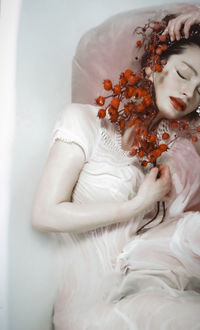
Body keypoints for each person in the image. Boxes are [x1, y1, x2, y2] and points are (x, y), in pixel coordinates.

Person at [31, 6, 200, 330]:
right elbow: (44, 214)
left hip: (142, 287)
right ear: (154, 67)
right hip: (92, 311)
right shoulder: (83, 121)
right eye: (183, 73)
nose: (189, 93)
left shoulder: (173, 152)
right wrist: (137, 204)